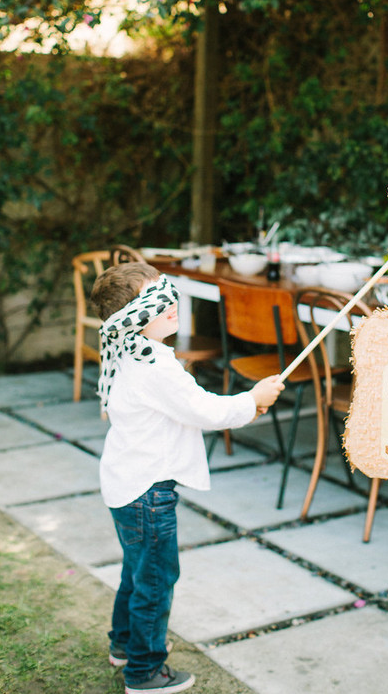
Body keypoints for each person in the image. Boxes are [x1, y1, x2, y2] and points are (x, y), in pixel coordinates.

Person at [90, 262, 284, 694]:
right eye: (157, 300)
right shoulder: (154, 367)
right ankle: (143, 671)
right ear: (133, 317)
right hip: (147, 493)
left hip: (125, 485)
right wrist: (253, 399)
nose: (171, 304)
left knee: (136, 573)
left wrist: (248, 404)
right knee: (156, 581)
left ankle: (124, 645)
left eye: (169, 292)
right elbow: (207, 411)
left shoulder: (130, 352)